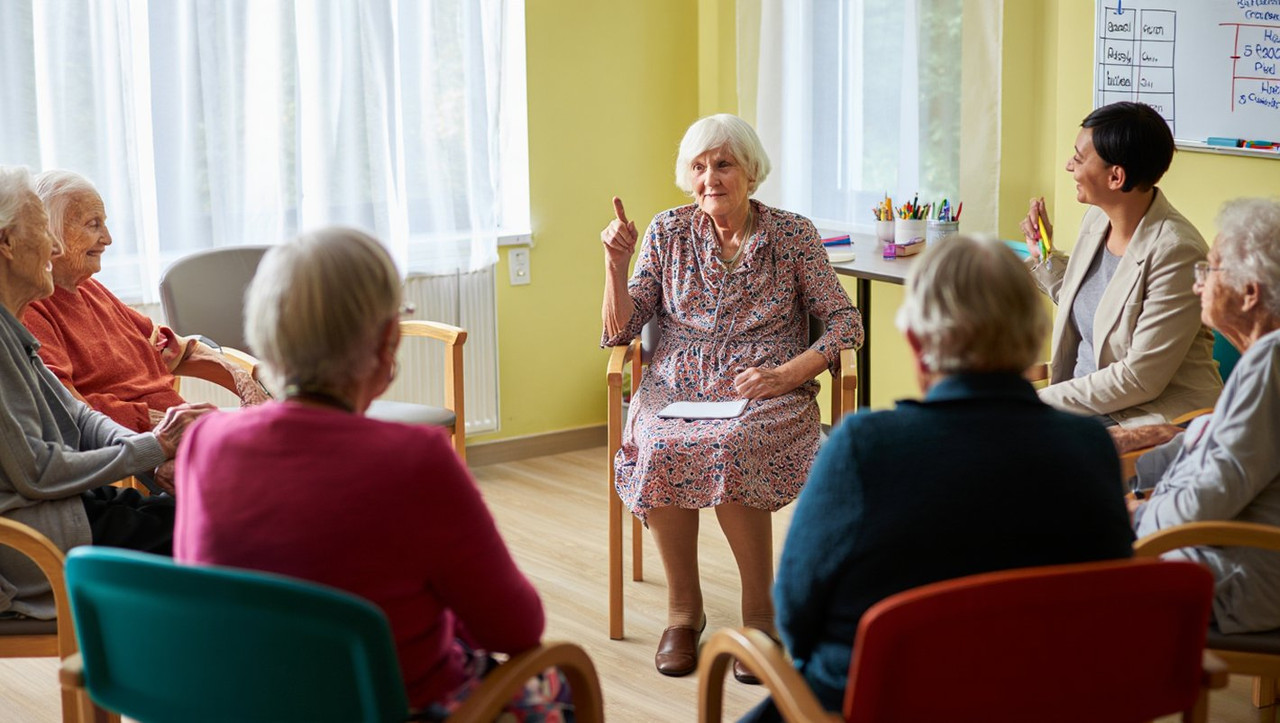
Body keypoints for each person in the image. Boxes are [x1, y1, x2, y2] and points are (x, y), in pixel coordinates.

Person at [174, 228, 570, 719]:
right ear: (387, 341)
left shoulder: (204, 443)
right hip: (392, 707)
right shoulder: (417, 459)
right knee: (555, 683)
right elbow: (516, 629)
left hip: (250, 706)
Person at [744, 237, 1135, 722]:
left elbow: (797, 613)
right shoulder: (1089, 448)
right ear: (1034, 334)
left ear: (916, 342)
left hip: (872, 702)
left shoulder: (863, 449)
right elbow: (1106, 610)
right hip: (1037, 704)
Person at [600, 113, 862, 681]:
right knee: (659, 439)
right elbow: (622, 332)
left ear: (750, 171)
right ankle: (682, 612)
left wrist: (789, 373)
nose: (710, 177)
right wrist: (615, 267)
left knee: (734, 441)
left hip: (767, 387)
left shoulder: (793, 235)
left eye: (723, 164)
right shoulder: (668, 232)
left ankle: (761, 615)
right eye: (698, 167)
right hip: (678, 383)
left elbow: (845, 324)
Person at [0, 165, 210, 619]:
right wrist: (153, 445)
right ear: (7, 244)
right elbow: (36, 471)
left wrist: (152, 450)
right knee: (221, 540)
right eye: (42, 230)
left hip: (67, 506)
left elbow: (75, 415)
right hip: (39, 538)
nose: (54, 246)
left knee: (218, 522)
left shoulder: (9, 326)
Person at [1121, 198, 1280, 634]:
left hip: (1236, 575)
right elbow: (1233, 452)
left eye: (1209, 270)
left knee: (1057, 562)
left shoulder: (1270, 361)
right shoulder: (1266, 361)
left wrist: (1134, 517)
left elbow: (1213, 494)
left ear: (1250, 293)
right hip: (1235, 559)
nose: (1198, 286)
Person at [1021, 101, 1221, 427]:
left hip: (1148, 420)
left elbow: (1138, 378)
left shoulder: (1177, 253)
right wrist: (1042, 255)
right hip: (1088, 408)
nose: (1069, 166)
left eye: (1079, 157)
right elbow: (1095, 304)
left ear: (1116, 177)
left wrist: (1034, 402)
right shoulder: (1097, 220)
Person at [22, 170, 266, 434]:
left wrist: (245, 382)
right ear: (49, 231)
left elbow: (172, 347)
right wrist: (164, 425)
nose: (108, 238)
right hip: (137, 450)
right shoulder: (31, 307)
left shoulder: (89, 288)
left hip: (177, 433)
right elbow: (66, 408)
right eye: (93, 225)